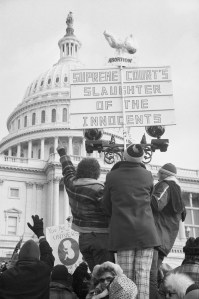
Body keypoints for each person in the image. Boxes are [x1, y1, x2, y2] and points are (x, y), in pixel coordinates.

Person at [102, 144, 160, 299]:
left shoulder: (112, 176)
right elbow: (151, 201)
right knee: (143, 278)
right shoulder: (147, 175)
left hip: (123, 233)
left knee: (125, 280)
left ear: (125, 156)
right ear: (141, 159)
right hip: (147, 233)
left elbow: (106, 206)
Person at [57, 144, 114, 272]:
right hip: (101, 238)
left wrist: (62, 153)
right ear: (97, 173)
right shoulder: (100, 190)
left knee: (96, 275)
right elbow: (109, 210)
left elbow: (68, 169)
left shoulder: (71, 184)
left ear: (80, 171)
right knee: (107, 277)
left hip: (84, 239)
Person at [150, 163, 186, 298]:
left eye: (159, 173)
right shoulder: (178, 191)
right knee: (153, 275)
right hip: (166, 241)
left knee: (149, 275)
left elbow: (156, 203)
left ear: (164, 174)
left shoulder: (166, 185)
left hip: (155, 237)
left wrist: (144, 191)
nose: (158, 177)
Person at [0, 215, 55, 299]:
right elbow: (47, 254)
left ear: (20, 257)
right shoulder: (43, 271)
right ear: (37, 256)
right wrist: (40, 234)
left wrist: (10, 267)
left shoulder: (5, 276)